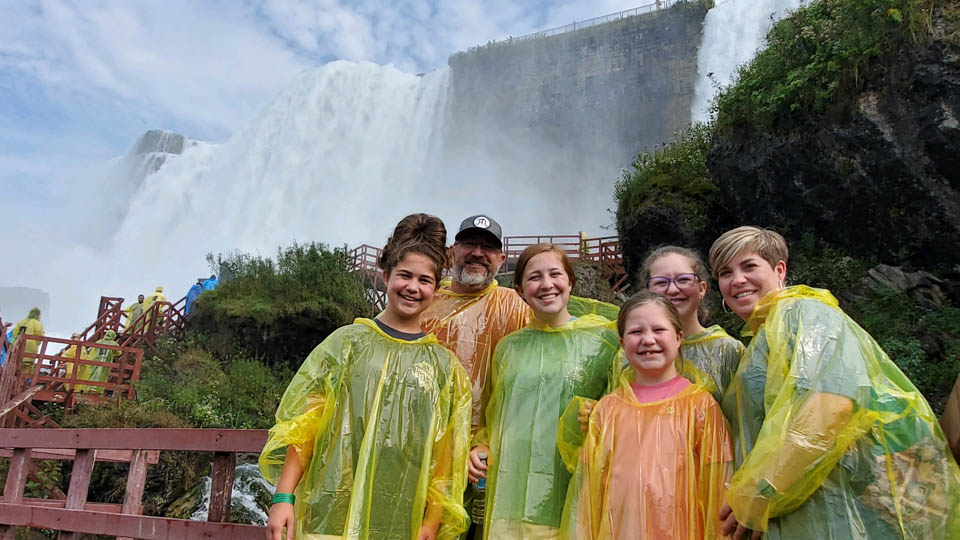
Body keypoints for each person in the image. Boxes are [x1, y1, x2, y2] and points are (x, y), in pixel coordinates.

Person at [710, 226, 960, 539]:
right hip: (806, 512)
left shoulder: (804, 313)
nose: (737, 280)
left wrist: (761, 492)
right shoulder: (760, 340)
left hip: (841, 508)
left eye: (749, 266)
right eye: (725, 272)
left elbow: (831, 403)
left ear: (779, 269)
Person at [261, 213, 472, 540]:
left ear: (436, 287)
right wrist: (284, 496)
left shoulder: (444, 366)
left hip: (402, 520)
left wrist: (431, 520)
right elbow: (306, 425)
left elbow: (445, 452)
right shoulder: (346, 343)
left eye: (424, 280)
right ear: (386, 275)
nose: (412, 287)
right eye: (404, 275)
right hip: (328, 513)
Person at [469, 243, 619, 540]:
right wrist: (482, 445)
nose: (547, 284)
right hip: (507, 500)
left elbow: (626, 406)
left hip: (570, 496)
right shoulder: (508, 347)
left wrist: (599, 415)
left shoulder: (604, 341)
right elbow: (496, 413)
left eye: (555, 274)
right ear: (521, 290)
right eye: (535, 277)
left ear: (570, 282)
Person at [560, 291, 732, 539]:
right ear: (622, 343)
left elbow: (719, 489)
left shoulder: (700, 407)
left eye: (658, 330)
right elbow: (588, 497)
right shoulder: (607, 410)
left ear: (678, 337)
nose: (648, 339)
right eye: (636, 332)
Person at [640, 245, 742, 399]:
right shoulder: (635, 352)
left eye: (683, 280)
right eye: (661, 283)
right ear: (648, 291)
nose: (673, 290)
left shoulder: (728, 351)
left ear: (702, 289)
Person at [78, 329, 119, 394]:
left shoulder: (99, 341)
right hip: (106, 361)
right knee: (102, 375)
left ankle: (89, 388)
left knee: (93, 374)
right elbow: (119, 352)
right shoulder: (114, 344)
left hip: (96, 360)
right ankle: (99, 390)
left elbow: (93, 350)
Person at [11, 307, 44, 374]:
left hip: (18, 346)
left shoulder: (21, 322)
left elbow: (14, 334)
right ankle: (24, 381)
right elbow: (39, 337)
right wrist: (38, 342)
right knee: (27, 367)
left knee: (16, 365)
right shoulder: (37, 323)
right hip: (30, 348)